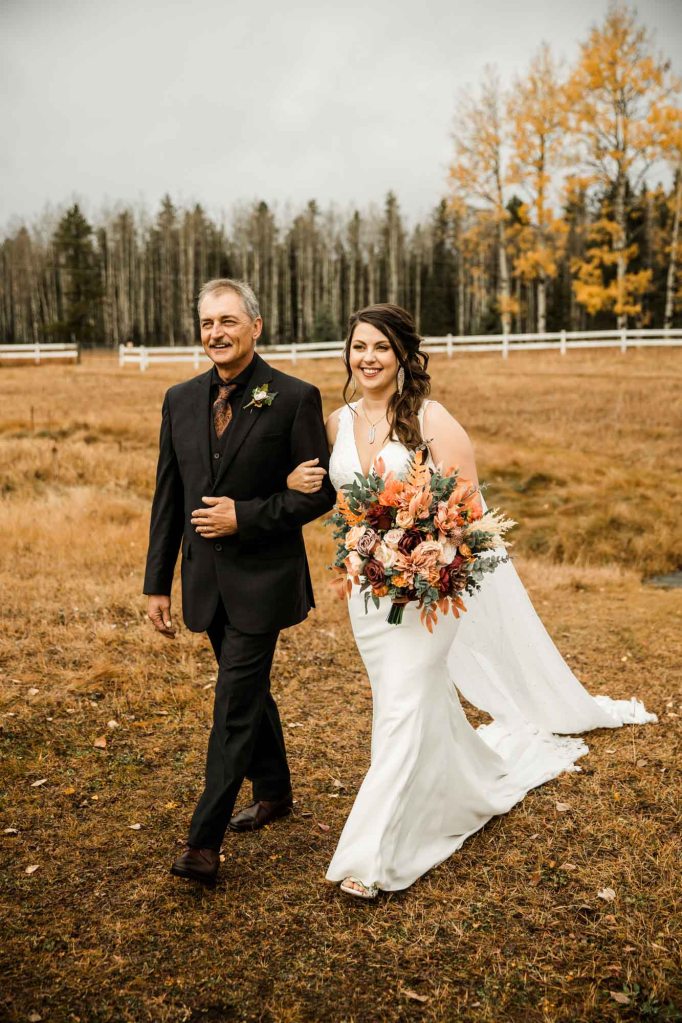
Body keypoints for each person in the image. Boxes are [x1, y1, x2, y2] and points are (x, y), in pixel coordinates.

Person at [287, 303, 656, 898]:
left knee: (404, 705)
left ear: (404, 356)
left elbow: (468, 513)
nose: (369, 359)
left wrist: (427, 554)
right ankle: (467, 784)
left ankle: (369, 855)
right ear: (347, 355)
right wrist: (302, 497)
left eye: (381, 347)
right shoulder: (336, 422)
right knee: (406, 701)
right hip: (369, 593)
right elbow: (333, 498)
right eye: (359, 347)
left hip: (428, 593)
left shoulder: (432, 419)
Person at [144, 278, 336, 886]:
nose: (216, 334)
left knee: (232, 705)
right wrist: (157, 583)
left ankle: (203, 844)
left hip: (263, 579)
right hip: (204, 583)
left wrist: (244, 516)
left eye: (228, 321)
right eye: (206, 324)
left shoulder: (293, 397)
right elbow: (168, 497)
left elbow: (320, 494)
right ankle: (275, 791)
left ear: (257, 326)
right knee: (248, 691)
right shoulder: (178, 399)